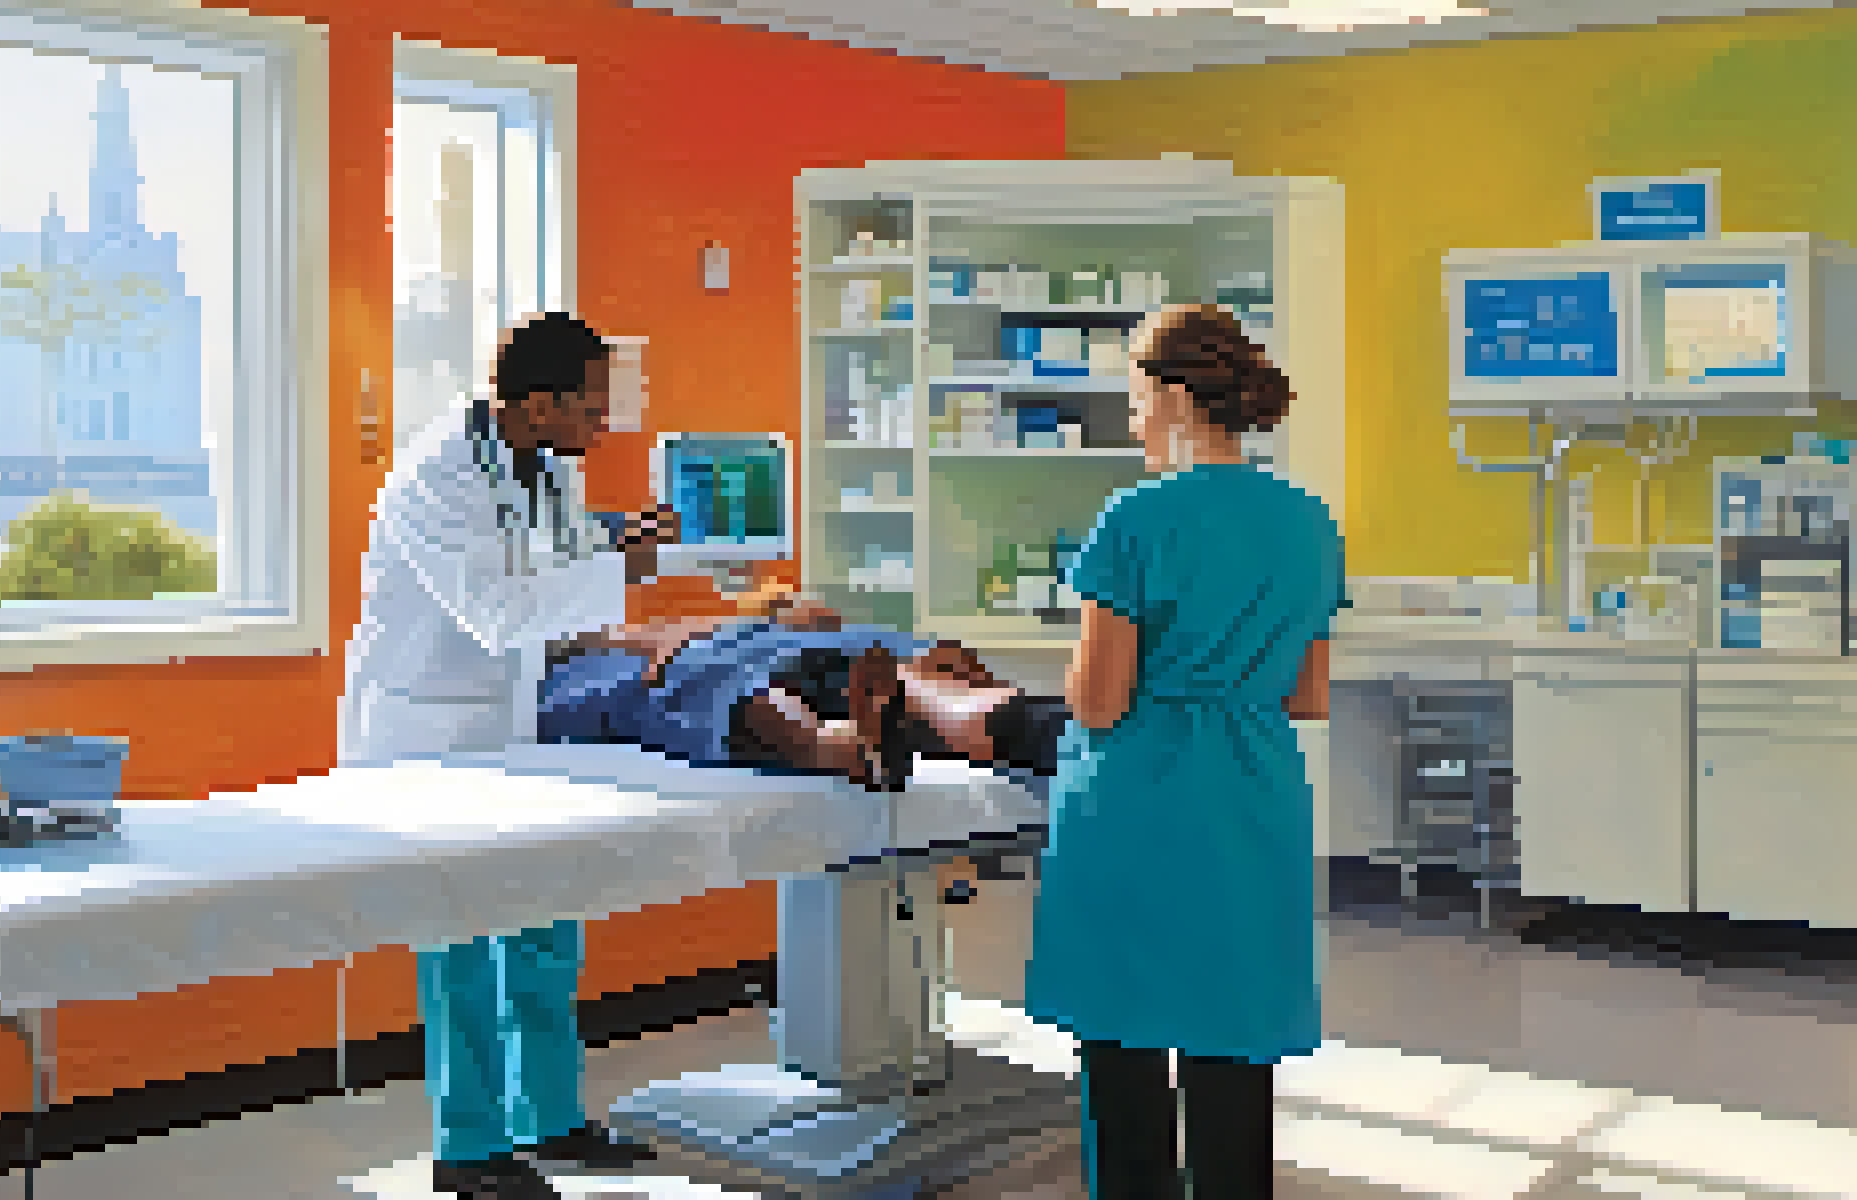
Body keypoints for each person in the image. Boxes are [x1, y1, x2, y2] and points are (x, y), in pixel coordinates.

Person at [339, 312, 680, 1200]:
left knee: (544, 913)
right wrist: (626, 574)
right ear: (541, 404)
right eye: (593, 408)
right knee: (456, 938)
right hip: (428, 736)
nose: (603, 425)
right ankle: (472, 1142)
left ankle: (552, 1118)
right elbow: (500, 609)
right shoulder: (436, 476)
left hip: (515, 723)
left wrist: (616, 539)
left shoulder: (544, 466)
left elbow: (552, 557)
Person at [1025, 304, 1345, 1200]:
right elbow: (1307, 695)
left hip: (1138, 799)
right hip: (1251, 794)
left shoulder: (1134, 521)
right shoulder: (1307, 523)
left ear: (1170, 396)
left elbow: (1097, 698)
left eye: (1133, 397)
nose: (1131, 418)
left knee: (1124, 1037)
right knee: (1231, 1025)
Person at [539, 589, 1071, 785]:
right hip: (731, 664)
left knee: (757, 678)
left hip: (769, 652)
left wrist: (774, 609)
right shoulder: (564, 679)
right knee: (728, 685)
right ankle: (845, 742)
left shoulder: (610, 643)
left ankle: (847, 740)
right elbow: (654, 653)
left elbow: (673, 636)